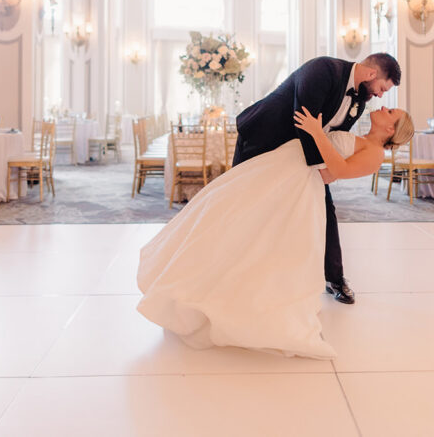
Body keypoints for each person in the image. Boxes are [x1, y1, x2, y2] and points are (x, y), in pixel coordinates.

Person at [137, 104, 415, 359]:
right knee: (232, 215)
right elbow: (331, 167)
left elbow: (338, 169)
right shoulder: (361, 138)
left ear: (391, 129)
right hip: (284, 167)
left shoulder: (376, 154)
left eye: (390, 111)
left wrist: (318, 134)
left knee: (266, 238)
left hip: (296, 184)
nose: (383, 106)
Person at [231, 53, 401, 304]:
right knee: (241, 205)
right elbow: (303, 121)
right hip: (262, 140)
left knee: (325, 209)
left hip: (301, 157)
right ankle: (233, 265)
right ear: (373, 74)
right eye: (382, 88)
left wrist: (326, 173)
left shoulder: (359, 103)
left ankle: (335, 277)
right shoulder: (323, 69)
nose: (380, 95)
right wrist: (322, 171)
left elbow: (333, 139)